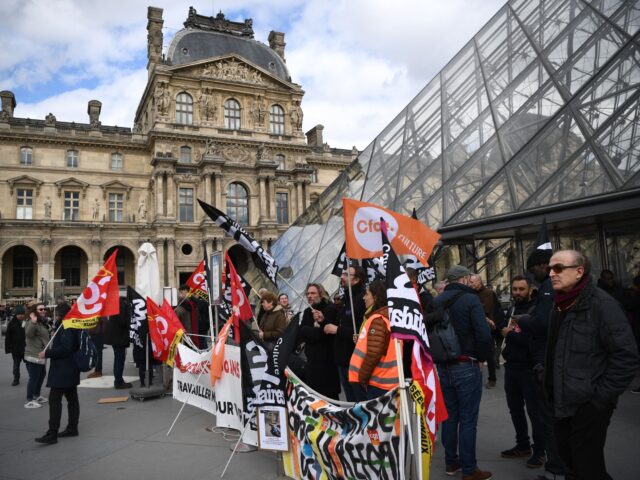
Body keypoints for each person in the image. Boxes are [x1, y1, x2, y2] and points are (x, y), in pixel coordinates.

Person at [545, 250, 639, 480]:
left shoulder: (602, 304)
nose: (551, 273)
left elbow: (626, 356)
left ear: (579, 271)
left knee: (588, 467)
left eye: (558, 268)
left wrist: (599, 400)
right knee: (570, 463)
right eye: (550, 268)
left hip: (588, 405)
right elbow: (557, 350)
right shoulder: (559, 303)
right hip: (561, 401)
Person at [432, 265, 493, 480]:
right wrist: (484, 358)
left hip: (443, 365)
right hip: (466, 363)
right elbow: (483, 334)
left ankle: (451, 463)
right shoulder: (470, 299)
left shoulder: (437, 300)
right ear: (464, 279)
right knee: (468, 419)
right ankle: (469, 470)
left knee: (450, 417)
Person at [518, 246, 567, 480]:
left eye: (532, 270)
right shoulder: (552, 288)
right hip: (550, 359)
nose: (531, 275)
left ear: (542, 266)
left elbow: (543, 324)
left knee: (548, 417)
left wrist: (524, 321)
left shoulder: (548, 288)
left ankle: (555, 467)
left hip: (546, 360)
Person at [499, 275, 546, 469]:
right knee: (515, 409)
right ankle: (522, 445)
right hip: (512, 366)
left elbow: (532, 340)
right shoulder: (512, 308)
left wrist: (510, 335)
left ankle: (540, 451)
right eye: (515, 289)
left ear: (530, 290)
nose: (517, 292)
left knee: (535, 413)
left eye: (521, 289)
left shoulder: (536, 310)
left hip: (529, 368)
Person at [35, 303, 80, 444]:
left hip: (63, 369)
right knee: (72, 399)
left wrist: (47, 353)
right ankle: (72, 428)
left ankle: (52, 433)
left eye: (56, 313)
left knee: (55, 400)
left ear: (60, 314)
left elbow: (66, 348)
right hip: (71, 368)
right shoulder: (72, 324)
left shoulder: (66, 325)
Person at [348, 279, 399, 401]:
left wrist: (362, 378)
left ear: (375, 297)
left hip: (377, 383)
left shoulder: (378, 320)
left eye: (367, 294)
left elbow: (373, 353)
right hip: (383, 382)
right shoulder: (385, 317)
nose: (364, 298)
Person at [325, 265, 367, 402]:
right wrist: (323, 319)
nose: (341, 277)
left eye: (346, 275)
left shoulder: (362, 299)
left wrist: (337, 330)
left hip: (354, 360)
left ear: (356, 280)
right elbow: (339, 323)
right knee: (350, 400)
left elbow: (361, 330)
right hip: (342, 359)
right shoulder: (346, 299)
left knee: (358, 400)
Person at [298, 283, 340, 399]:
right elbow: (302, 333)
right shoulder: (307, 312)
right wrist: (312, 331)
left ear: (320, 294)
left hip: (327, 360)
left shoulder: (330, 308)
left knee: (331, 397)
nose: (309, 296)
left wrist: (312, 330)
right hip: (312, 360)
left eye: (313, 293)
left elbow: (324, 333)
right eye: (308, 294)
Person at [469, 274, 504, 389]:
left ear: (479, 282)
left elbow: (486, 310)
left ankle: (492, 378)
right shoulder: (471, 293)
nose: (471, 284)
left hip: (488, 327)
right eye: (470, 282)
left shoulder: (488, 293)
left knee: (489, 354)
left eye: (473, 282)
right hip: (477, 327)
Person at [24, 305, 50, 408]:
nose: (43, 311)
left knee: (41, 375)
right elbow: (29, 334)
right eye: (41, 309)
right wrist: (33, 321)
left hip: (42, 354)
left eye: (44, 309)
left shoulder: (42, 322)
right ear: (35, 311)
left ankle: (36, 395)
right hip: (34, 354)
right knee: (34, 378)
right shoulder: (31, 322)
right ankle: (29, 400)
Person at [105, 297, 132, 389]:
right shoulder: (122, 306)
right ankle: (118, 381)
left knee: (118, 358)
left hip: (115, 337)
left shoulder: (115, 305)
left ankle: (118, 379)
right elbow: (122, 321)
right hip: (120, 338)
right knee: (119, 359)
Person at [5, 304, 26, 386]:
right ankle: (16, 379)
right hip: (16, 349)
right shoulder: (11, 323)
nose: (21, 316)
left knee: (29, 365)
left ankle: (33, 378)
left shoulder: (26, 322)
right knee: (16, 366)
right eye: (19, 314)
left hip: (25, 348)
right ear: (16, 314)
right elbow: (8, 337)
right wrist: (8, 349)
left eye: (22, 314)